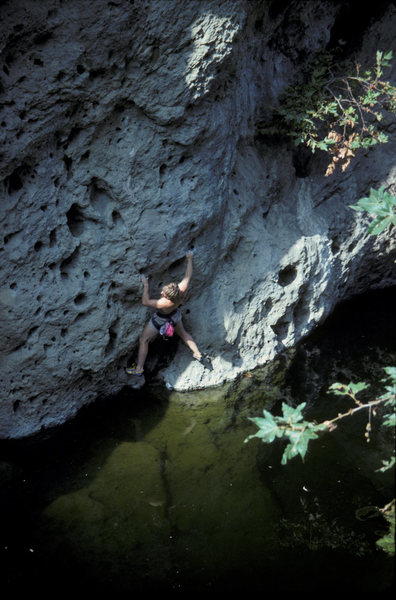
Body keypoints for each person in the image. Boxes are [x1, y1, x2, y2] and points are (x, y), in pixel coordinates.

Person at [126, 251, 208, 376]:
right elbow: (187, 276)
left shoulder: (163, 303)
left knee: (143, 340)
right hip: (175, 316)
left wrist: (146, 285)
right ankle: (197, 353)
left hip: (160, 319)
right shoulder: (181, 291)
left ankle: (139, 369)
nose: (161, 294)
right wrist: (190, 259)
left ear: (168, 297)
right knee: (184, 333)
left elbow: (145, 301)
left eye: (163, 294)